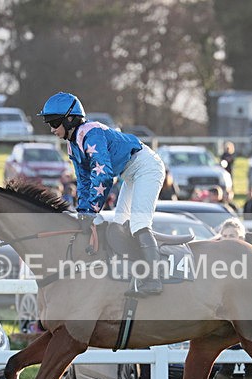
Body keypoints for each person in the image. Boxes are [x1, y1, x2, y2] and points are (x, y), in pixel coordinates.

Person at [38, 92, 166, 297]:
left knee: (138, 223)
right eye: (49, 124)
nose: (52, 129)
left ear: (70, 120)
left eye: (54, 122)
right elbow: (84, 181)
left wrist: (91, 210)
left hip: (147, 167)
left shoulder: (92, 134)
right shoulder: (73, 145)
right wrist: (82, 212)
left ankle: (154, 279)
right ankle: (132, 272)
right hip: (130, 173)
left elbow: (103, 176)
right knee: (119, 224)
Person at [209, 218, 252, 379]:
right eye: (225, 235)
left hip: (250, 317)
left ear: (241, 238)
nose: (228, 239)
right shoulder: (215, 259)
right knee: (226, 363)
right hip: (225, 318)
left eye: (232, 235)